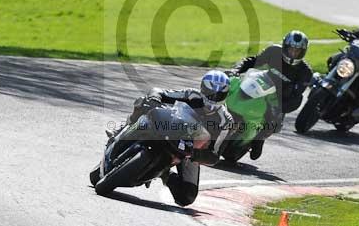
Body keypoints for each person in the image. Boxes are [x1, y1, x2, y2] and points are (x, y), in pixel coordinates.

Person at [104, 70, 233, 206]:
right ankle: (122, 129)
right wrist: (155, 98)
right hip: (170, 129)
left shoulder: (225, 121)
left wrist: (196, 154)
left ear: (226, 95)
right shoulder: (192, 95)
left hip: (190, 151)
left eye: (219, 95)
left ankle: (164, 173)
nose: (213, 98)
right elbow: (161, 92)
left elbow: (215, 154)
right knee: (145, 103)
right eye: (210, 93)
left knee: (186, 197)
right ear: (202, 88)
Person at [228, 30, 313, 160]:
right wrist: (235, 70)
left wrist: (278, 107)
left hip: (278, 100)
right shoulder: (273, 51)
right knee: (231, 88)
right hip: (259, 85)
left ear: (303, 52)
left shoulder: (305, 72)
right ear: (285, 47)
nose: (293, 53)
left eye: (297, 51)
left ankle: (259, 139)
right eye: (291, 50)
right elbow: (252, 61)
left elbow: (296, 96)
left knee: (274, 121)